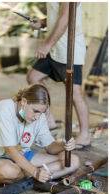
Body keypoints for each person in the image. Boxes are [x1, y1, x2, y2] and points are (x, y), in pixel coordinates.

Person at [0, 84, 80, 185]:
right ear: (24, 101)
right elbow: (10, 150)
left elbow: (50, 147)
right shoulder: (3, 109)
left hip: (23, 156)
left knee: (73, 161)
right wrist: (35, 171)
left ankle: (27, 177)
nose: (37, 117)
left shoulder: (39, 116)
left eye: (41, 112)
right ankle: (35, 175)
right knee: (9, 171)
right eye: (35, 111)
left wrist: (63, 146)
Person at [26, 2, 90, 150]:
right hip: (55, 49)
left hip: (70, 49)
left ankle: (85, 136)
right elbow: (57, 16)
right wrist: (42, 22)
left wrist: (46, 45)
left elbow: (66, 18)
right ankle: (49, 121)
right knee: (33, 77)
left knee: (75, 94)